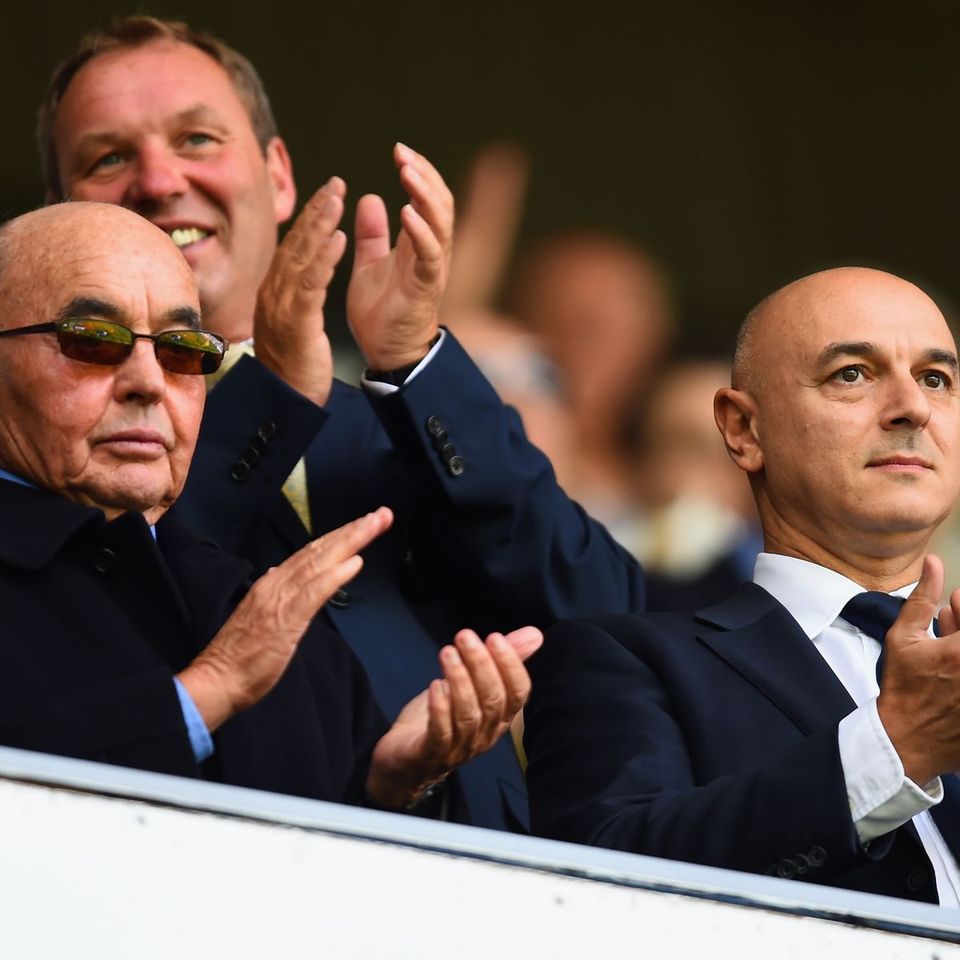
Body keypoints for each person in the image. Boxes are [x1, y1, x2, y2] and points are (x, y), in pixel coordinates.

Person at [37, 17, 644, 831]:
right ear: (59, 216)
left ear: (278, 176)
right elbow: (120, 594)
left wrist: (413, 356)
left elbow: (604, 616)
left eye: (197, 139)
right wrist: (274, 394)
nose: (158, 178)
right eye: (108, 157)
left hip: (491, 870)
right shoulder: (41, 431)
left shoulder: (402, 414)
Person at [0, 200, 542, 811]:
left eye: (182, 349)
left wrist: (391, 782)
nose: (148, 381)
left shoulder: (263, 612)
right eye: (94, 339)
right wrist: (209, 691)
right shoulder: (251, 641)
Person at [525, 266, 960, 905]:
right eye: (852, 374)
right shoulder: (622, 660)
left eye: (935, 378)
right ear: (743, 430)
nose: (913, 407)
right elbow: (607, 886)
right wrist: (895, 747)